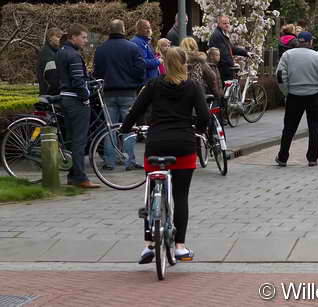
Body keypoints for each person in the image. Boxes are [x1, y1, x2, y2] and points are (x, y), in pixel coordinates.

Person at [119, 47, 209, 264]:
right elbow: (204, 115)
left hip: (157, 144)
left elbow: (136, 110)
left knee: (152, 196)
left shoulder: (153, 85)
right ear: (185, 64)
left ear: (165, 64)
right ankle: (180, 247)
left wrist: (125, 128)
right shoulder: (193, 86)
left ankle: (148, 245)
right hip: (184, 144)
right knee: (181, 196)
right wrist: (198, 130)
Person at [93, 20, 146, 171]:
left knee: (110, 129)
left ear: (109, 31)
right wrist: (136, 83)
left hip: (108, 93)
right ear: (123, 30)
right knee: (129, 128)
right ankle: (130, 161)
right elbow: (140, 69)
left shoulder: (101, 49)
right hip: (128, 92)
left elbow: (97, 72)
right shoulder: (132, 47)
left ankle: (110, 161)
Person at [275, 32, 318, 167]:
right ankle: (312, 158)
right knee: (314, 127)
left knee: (289, 127)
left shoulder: (287, 55)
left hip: (294, 96)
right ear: (310, 42)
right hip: (313, 95)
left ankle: (283, 157)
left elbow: (280, 76)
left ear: (298, 41)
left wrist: (286, 92)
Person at [56, 24, 100, 189]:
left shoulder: (61, 52)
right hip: (76, 101)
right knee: (79, 140)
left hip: (65, 98)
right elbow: (77, 81)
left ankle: (72, 175)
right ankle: (81, 177)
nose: (85, 40)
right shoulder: (74, 55)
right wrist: (86, 96)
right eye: (83, 37)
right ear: (73, 37)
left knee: (71, 138)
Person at [208, 15, 248, 82]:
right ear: (219, 24)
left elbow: (231, 48)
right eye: (224, 23)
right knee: (227, 87)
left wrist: (245, 53)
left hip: (225, 68)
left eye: (228, 23)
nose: (227, 25)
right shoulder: (217, 35)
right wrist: (232, 64)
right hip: (223, 69)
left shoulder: (222, 34)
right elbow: (223, 53)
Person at [37, 27, 63, 95]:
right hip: (50, 95)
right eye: (58, 37)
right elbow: (53, 79)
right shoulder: (47, 54)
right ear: (50, 38)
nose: (60, 39)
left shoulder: (56, 52)